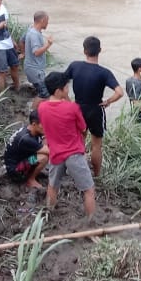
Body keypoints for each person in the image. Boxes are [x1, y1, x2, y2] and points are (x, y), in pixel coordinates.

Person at [64, 36, 123, 177]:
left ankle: (78, 171)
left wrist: (68, 100)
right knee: (96, 145)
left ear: (84, 51)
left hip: (77, 108)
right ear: (100, 51)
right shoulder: (104, 72)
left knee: (80, 141)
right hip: (95, 110)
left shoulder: (74, 66)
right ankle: (96, 175)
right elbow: (120, 92)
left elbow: (61, 82)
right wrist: (108, 101)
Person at [39, 72, 96, 217]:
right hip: (74, 154)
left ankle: (48, 213)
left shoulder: (42, 108)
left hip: (55, 154)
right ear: (59, 91)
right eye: (66, 87)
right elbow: (83, 129)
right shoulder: (72, 108)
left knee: (52, 186)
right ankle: (91, 220)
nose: (68, 89)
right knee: (88, 189)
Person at [2, 110, 49, 189]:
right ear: (34, 124)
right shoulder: (26, 139)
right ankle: (30, 180)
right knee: (44, 157)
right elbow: (50, 152)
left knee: (46, 141)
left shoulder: (31, 130)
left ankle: (31, 171)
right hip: (15, 170)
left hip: (21, 159)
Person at [23, 11, 53, 108]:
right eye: (47, 21)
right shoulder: (34, 34)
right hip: (35, 70)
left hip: (31, 68)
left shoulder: (31, 30)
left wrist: (24, 53)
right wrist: (48, 45)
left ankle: (35, 112)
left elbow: (21, 40)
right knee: (44, 94)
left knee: (43, 92)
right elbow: (36, 52)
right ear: (43, 20)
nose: (48, 23)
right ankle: (33, 113)